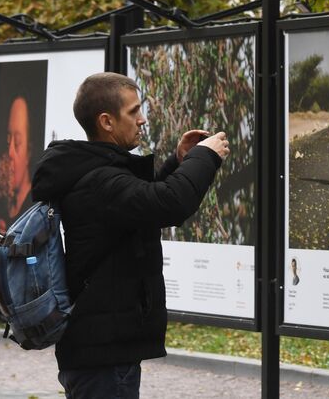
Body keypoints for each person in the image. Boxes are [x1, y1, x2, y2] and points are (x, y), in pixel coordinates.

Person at [30, 72, 229, 398]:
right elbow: (169, 204)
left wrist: (179, 163)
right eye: (134, 111)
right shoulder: (99, 181)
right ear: (107, 121)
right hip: (103, 356)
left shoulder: (94, 172)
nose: (142, 119)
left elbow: (142, 209)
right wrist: (204, 156)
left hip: (100, 348)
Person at [0, 96, 33, 233]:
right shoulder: (1, 201)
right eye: (8, 141)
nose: (10, 152)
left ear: (29, 151)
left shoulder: (35, 208)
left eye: (16, 143)